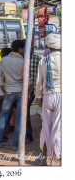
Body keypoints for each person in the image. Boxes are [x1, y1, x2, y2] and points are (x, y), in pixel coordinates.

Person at [0, 40, 27, 150]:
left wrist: (3, 90)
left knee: (3, 117)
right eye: (23, 48)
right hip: (20, 91)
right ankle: (15, 144)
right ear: (19, 49)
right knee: (19, 118)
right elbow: (25, 79)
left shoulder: (3, 61)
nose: (24, 50)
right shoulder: (23, 61)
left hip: (9, 91)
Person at [35, 32, 61, 166]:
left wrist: (38, 97)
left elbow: (39, 82)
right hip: (61, 95)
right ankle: (56, 160)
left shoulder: (43, 60)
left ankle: (44, 157)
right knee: (58, 128)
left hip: (47, 96)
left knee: (46, 127)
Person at [0, 47, 13, 145]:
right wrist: (5, 91)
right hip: (6, 92)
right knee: (5, 116)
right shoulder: (8, 64)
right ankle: (3, 137)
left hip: (0, 93)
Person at [26, 42, 42, 144]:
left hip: (35, 89)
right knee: (26, 110)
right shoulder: (22, 60)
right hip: (26, 90)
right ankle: (28, 135)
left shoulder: (38, 59)